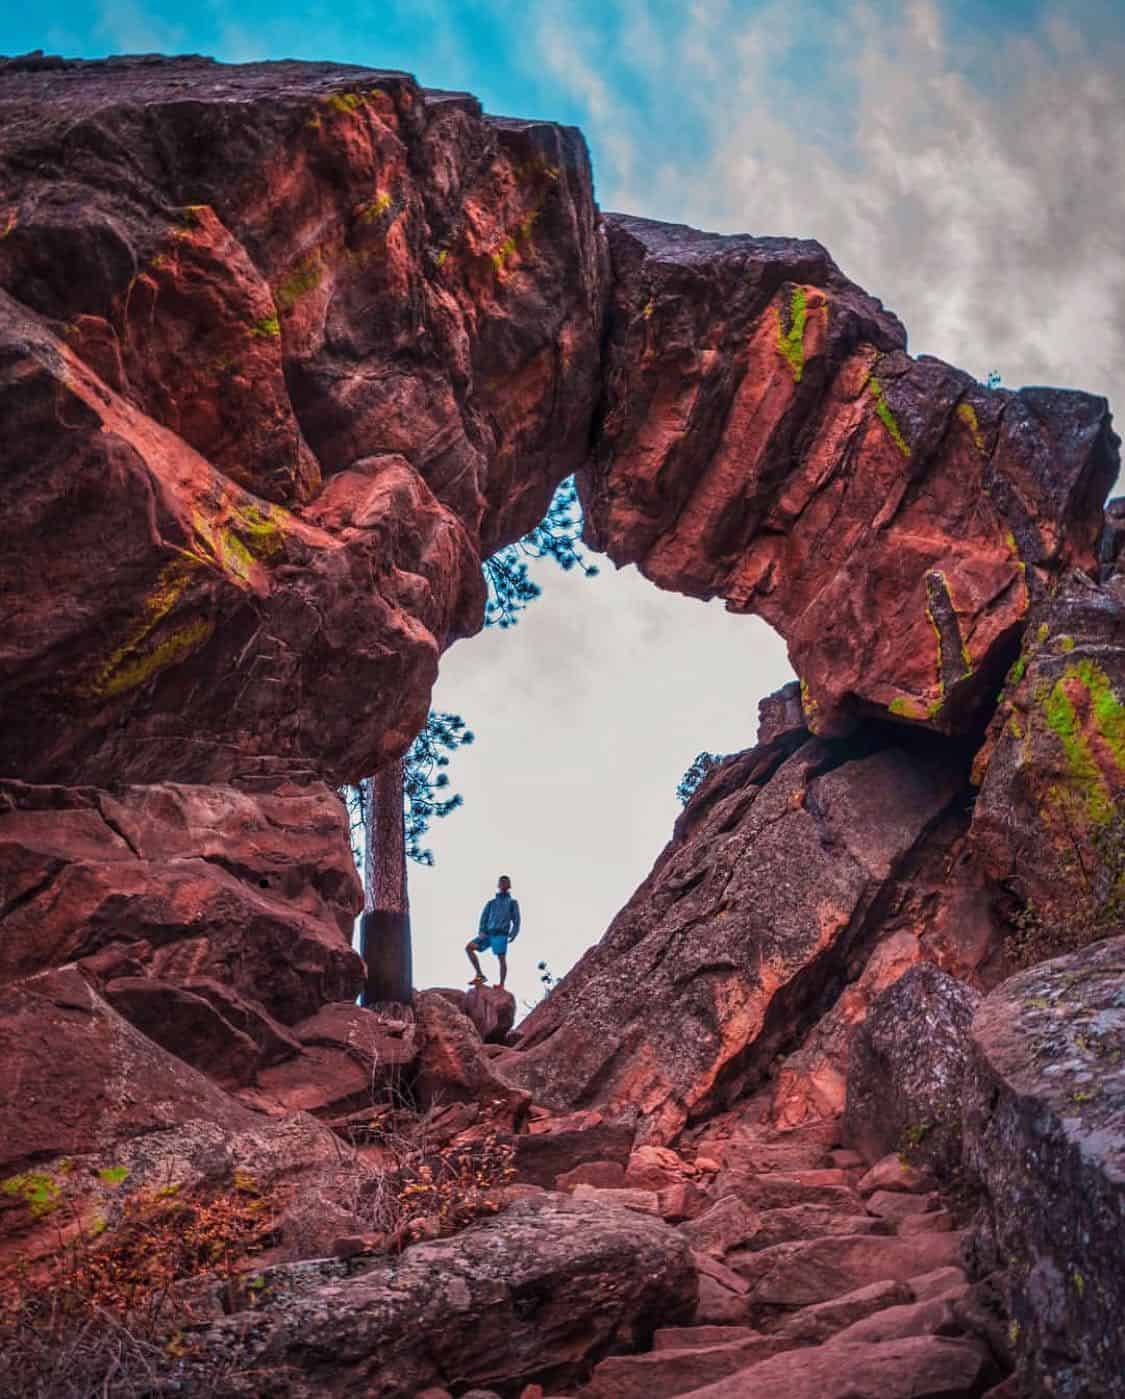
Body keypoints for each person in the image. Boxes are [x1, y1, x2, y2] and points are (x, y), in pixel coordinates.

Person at [465, 875, 521, 989]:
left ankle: (501, 984)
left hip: (501, 934)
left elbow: (517, 919)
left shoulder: (512, 902)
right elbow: (484, 917)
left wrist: (514, 933)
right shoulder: (491, 903)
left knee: (501, 959)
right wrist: (481, 930)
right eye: (501, 882)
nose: (503, 884)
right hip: (488, 934)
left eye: (506, 882)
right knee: (469, 947)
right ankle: (480, 974)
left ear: (509, 885)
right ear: (498, 885)